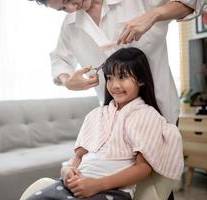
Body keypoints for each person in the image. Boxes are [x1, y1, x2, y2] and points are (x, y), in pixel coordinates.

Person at [25, 47, 184, 200]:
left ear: (141, 80)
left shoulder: (148, 116)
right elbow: (77, 158)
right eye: (109, 78)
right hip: (73, 185)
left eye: (122, 77)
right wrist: (67, 170)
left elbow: (144, 169)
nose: (114, 85)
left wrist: (97, 185)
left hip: (111, 191)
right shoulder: (96, 115)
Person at [29, 0, 205, 124]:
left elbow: (191, 2)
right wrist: (68, 82)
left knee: (159, 174)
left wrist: (153, 15)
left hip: (160, 109)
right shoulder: (70, 25)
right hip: (114, 120)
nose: (71, 7)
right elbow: (59, 58)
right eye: (62, 8)